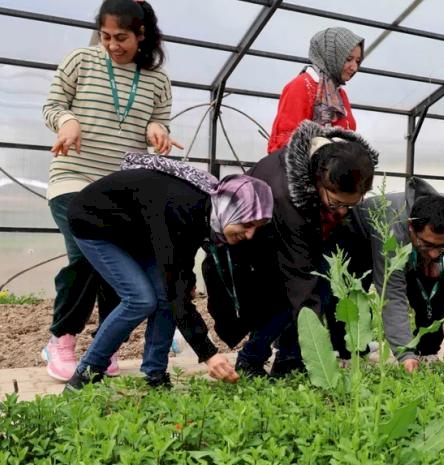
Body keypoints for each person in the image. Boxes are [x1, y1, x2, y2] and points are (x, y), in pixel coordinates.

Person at [41, 0, 182, 381]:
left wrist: (158, 132)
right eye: (105, 36)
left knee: (117, 268)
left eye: (121, 37)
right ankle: (62, 339)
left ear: (141, 35)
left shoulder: (157, 80)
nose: (112, 45)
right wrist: (67, 121)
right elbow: (53, 105)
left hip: (118, 192)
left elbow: (160, 121)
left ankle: (106, 344)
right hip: (73, 179)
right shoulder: (80, 61)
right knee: (86, 259)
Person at [64, 153, 273, 390]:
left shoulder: (207, 209)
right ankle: (85, 374)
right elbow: (176, 285)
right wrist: (208, 353)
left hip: (137, 229)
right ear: (229, 210)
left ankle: (154, 377)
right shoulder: (181, 209)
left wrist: (187, 281)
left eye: (256, 227)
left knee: (164, 297)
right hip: (95, 223)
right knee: (140, 300)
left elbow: (181, 256)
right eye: (246, 224)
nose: (250, 235)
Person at [218, 121, 378, 377]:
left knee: (321, 286)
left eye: (351, 204)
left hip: (302, 239)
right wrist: (318, 356)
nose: (342, 211)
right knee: (289, 300)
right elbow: (300, 278)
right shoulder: (287, 195)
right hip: (260, 243)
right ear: (318, 179)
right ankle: (253, 360)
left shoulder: (325, 165)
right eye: (336, 202)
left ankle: (289, 360)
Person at [351, 177, 444, 372]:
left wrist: (433, 258)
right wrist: (404, 353)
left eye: (441, 245)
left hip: (409, 244)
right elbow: (392, 293)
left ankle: (427, 350)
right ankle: (350, 349)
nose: (434, 252)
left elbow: (438, 247)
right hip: (358, 236)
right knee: (354, 290)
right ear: (411, 228)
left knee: (438, 284)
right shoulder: (393, 229)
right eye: (428, 244)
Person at [266, 27, 364, 154]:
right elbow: (283, 141)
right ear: (330, 56)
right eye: (348, 59)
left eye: (357, 61)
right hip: (307, 172)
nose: (354, 67)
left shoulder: (339, 93)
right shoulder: (302, 85)